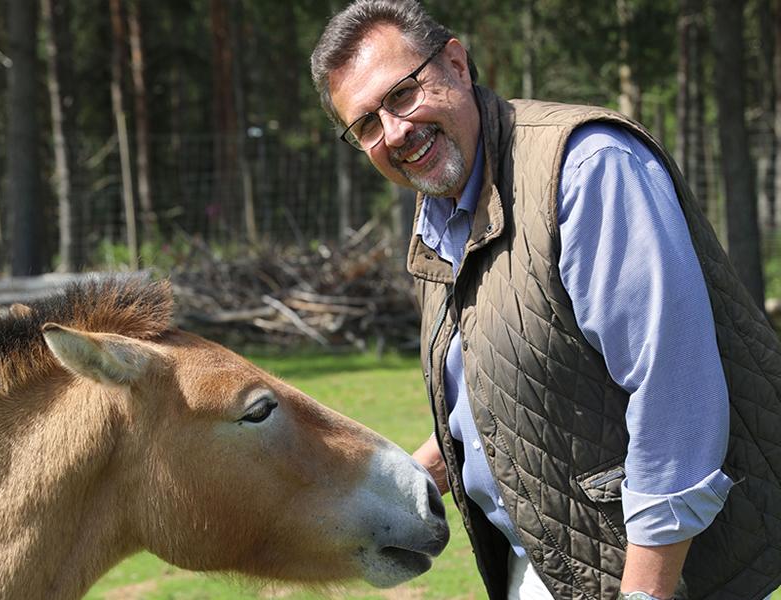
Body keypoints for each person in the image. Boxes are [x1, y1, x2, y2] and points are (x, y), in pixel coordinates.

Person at [310, 2, 781, 599]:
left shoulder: (585, 168)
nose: (395, 131)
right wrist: (394, 488)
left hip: (660, 572)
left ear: (456, 62)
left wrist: (645, 593)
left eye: (402, 94)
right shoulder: (440, 213)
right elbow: (494, 394)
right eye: (367, 124)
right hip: (545, 562)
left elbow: (675, 398)